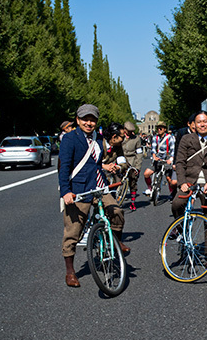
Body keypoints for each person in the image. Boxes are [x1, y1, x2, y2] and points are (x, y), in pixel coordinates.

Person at [58, 104, 130, 288]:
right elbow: (64, 167)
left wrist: (106, 168)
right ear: (78, 120)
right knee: (73, 232)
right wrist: (66, 191)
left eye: (92, 119)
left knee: (117, 212)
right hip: (79, 189)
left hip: (100, 185)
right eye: (85, 119)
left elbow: (96, 163)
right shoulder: (69, 138)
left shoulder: (98, 139)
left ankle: (116, 240)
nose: (88, 123)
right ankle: (70, 271)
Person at [171, 110, 207, 226]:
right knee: (176, 204)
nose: (202, 124)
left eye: (205, 121)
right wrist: (182, 183)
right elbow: (180, 162)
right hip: (189, 182)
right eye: (199, 122)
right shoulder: (186, 139)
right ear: (194, 125)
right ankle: (182, 229)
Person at [143, 121, 177, 197]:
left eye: (161, 128)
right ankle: (150, 188)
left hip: (167, 159)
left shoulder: (170, 138)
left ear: (165, 129)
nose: (159, 129)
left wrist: (171, 159)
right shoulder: (155, 137)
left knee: (169, 179)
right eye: (158, 128)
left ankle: (172, 193)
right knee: (146, 174)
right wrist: (154, 156)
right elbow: (153, 148)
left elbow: (173, 150)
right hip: (158, 159)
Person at [122, 121, 144, 210]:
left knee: (133, 182)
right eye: (128, 131)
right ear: (124, 130)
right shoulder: (120, 137)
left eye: (131, 131)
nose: (130, 133)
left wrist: (137, 167)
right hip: (121, 160)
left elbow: (139, 153)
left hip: (132, 161)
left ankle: (133, 202)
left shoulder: (136, 139)